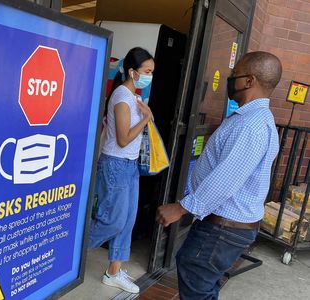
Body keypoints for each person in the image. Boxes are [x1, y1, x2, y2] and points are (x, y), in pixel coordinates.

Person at [156, 51, 282, 299]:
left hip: (223, 228)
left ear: (250, 81)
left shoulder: (251, 125)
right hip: (227, 226)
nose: (230, 79)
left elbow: (225, 180)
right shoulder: (254, 119)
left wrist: (181, 209)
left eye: (235, 75)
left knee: (197, 283)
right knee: (202, 283)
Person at [88, 47, 155, 294]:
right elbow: (124, 138)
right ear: (132, 71)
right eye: (147, 71)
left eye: (151, 72)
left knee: (127, 221)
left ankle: (113, 272)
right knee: (112, 221)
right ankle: (68, 252)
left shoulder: (133, 96)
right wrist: (146, 118)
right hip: (116, 164)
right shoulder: (121, 96)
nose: (149, 76)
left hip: (129, 165)